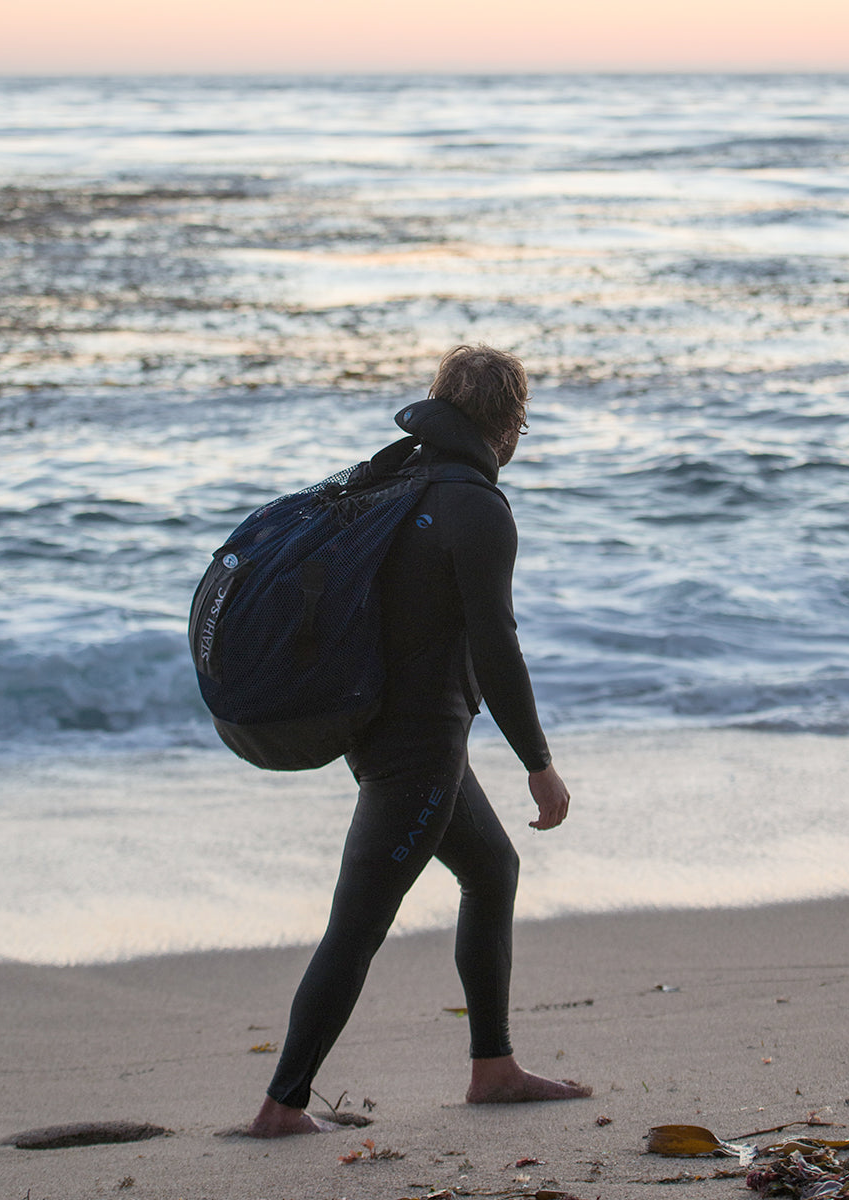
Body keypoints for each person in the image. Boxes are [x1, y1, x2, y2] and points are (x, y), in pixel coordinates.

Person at [247, 344, 591, 1138]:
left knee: (492, 868)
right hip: (420, 748)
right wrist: (539, 765)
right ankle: (280, 1106)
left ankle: (494, 1068)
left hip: (371, 728)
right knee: (359, 923)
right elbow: (497, 649)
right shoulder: (476, 507)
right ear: (509, 423)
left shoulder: (393, 483)